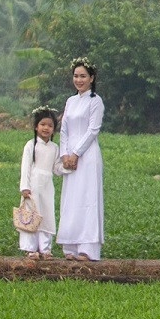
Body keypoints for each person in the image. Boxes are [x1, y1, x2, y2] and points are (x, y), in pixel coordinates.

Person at [56, 58, 105, 261]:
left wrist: (76, 153)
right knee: (71, 199)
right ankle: (71, 247)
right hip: (70, 156)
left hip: (88, 155)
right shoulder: (70, 101)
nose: (79, 80)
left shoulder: (96, 101)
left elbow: (93, 130)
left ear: (91, 78)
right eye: (76, 76)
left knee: (87, 198)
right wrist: (65, 154)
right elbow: (64, 129)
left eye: (83, 76)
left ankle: (87, 249)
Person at [17, 107, 60, 259]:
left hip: (47, 186)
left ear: (54, 129)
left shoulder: (55, 148)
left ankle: (45, 249)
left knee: (46, 216)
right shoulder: (31, 145)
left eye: (50, 125)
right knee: (32, 215)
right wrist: (25, 187)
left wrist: (68, 166)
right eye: (43, 124)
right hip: (33, 186)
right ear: (36, 127)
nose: (46, 128)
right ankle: (31, 249)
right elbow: (25, 167)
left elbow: (56, 168)